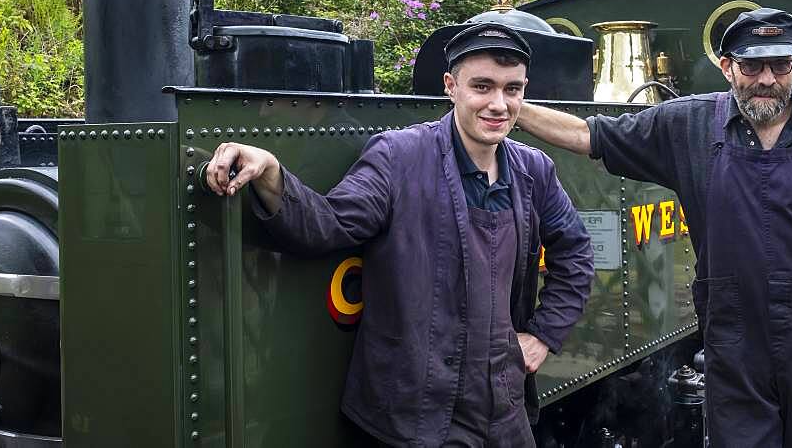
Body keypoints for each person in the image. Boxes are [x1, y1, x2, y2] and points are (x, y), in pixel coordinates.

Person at [206, 22, 595, 447]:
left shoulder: (533, 169)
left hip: (501, 407)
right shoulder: (398, 156)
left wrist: (543, 335)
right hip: (413, 412)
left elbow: (575, 253)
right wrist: (271, 172)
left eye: (512, 89)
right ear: (451, 86)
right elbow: (326, 224)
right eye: (482, 86)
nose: (498, 104)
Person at [516, 8, 792, 448]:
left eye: (779, 65)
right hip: (734, 337)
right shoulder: (686, 124)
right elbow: (589, 136)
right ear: (728, 67)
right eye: (752, 65)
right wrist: (510, 106)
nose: (767, 78)